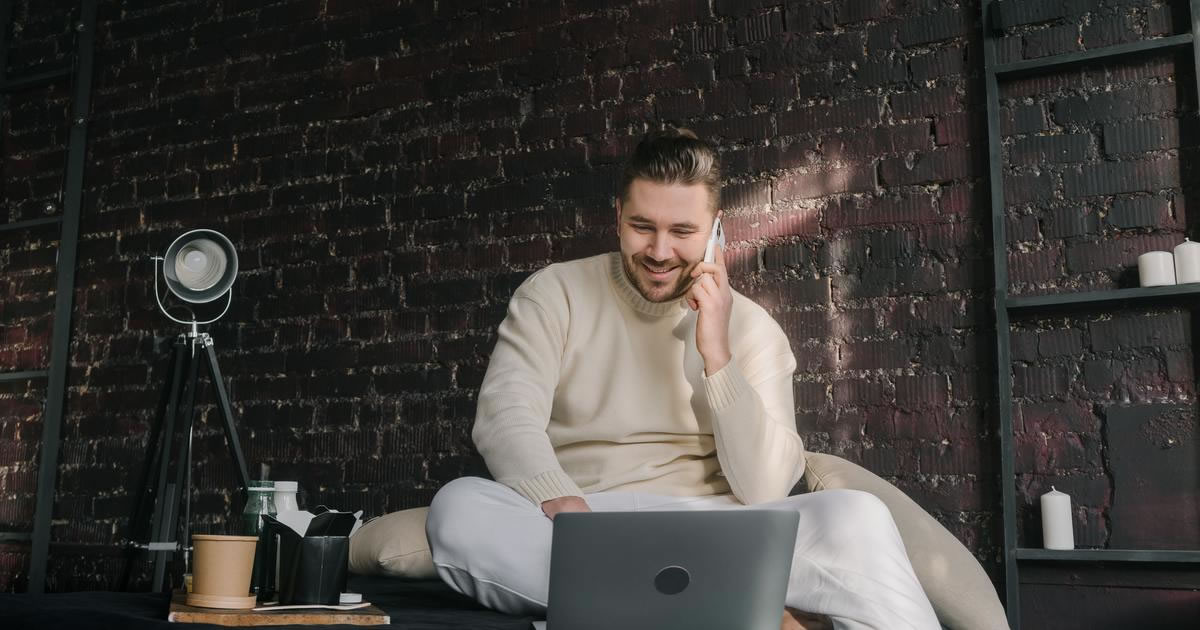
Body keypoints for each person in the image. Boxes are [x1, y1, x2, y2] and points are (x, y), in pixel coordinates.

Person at [425, 128, 940, 630]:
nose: (659, 251)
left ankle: (642, 606)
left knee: (858, 515)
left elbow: (764, 488)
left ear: (716, 229)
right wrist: (571, 515)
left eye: (683, 232)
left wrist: (717, 353)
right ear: (618, 218)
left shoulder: (753, 328)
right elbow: (505, 417)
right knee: (459, 509)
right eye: (642, 226)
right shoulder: (553, 293)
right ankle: (736, 610)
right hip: (578, 515)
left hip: (715, 526)